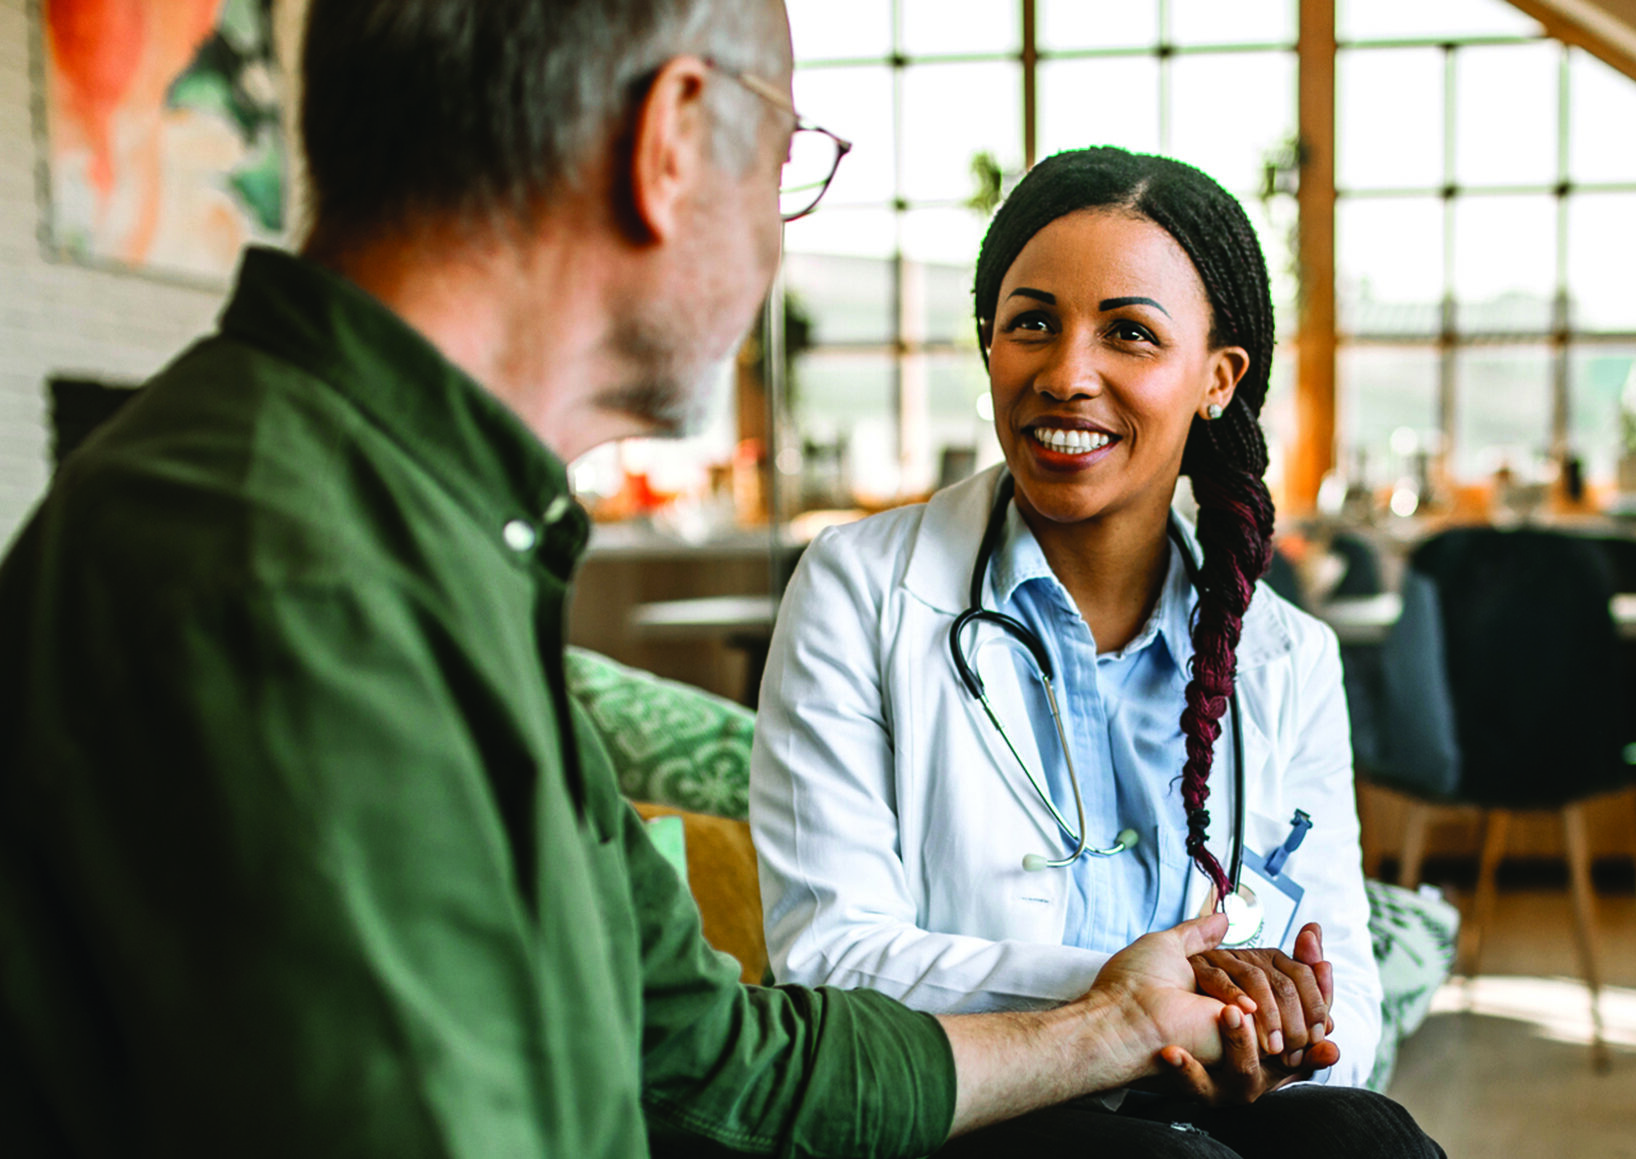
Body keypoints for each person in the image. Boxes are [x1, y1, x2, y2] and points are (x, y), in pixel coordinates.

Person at [0, 7, 1297, 1156]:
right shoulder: (285, 570)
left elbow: (704, 1053)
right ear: (672, 136)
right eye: (787, 158)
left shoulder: (433, 540)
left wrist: (1108, 1023)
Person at [751, 146, 1443, 1156]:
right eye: (1031, 322)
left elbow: (1347, 1002)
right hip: (971, 1095)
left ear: (1217, 377)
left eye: (1127, 332)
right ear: (988, 343)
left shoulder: (1285, 655)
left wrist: (1277, 1025)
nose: (1066, 374)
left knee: (1363, 1136)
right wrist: (1117, 995)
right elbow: (829, 959)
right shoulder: (857, 588)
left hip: (1206, 1091)